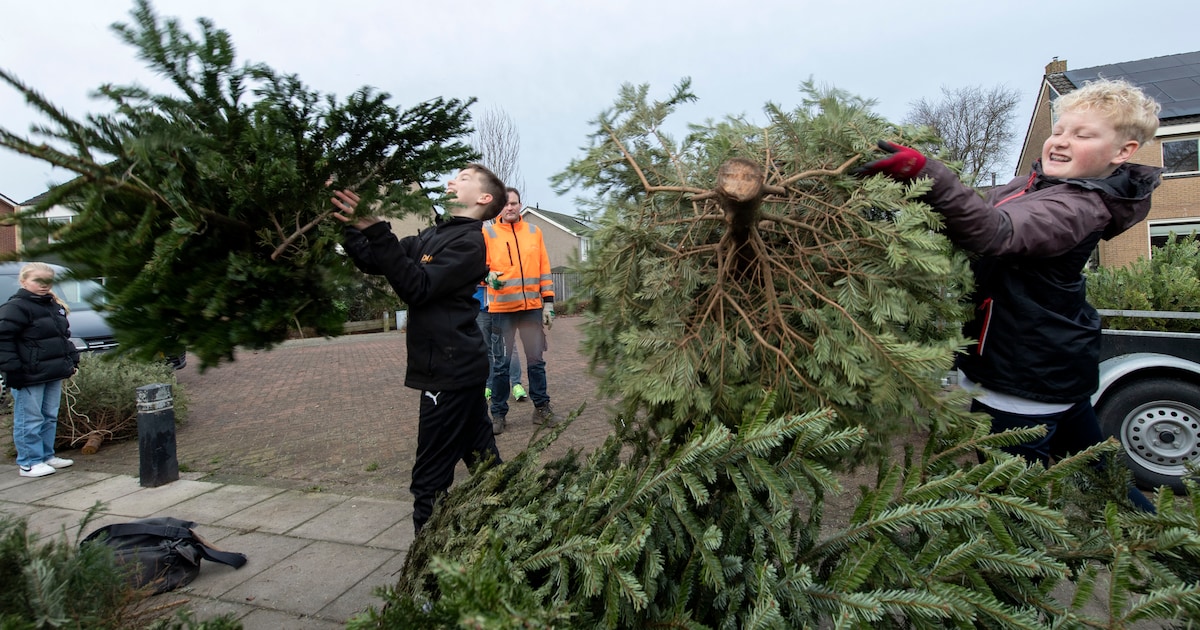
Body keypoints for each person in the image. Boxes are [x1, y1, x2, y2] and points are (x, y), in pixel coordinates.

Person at [855, 78, 1161, 512]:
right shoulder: (1031, 187)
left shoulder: (1080, 206)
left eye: (1083, 135)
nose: (1060, 141)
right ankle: (1169, 541)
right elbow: (964, 213)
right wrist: (898, 197)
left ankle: (1022, 568)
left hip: (1021, 379)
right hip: (1056, 369)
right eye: (1059, 130)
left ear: (1122, 152)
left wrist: (929, 173)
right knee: (1101, 472)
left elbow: (995, 231)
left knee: (1013, 499)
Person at [333, 163, 506, 533]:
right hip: (456, 371)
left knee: (429, 479)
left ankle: (427, 580)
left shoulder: (470, 242)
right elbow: (373, 257)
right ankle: (511, 532)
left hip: (450, 372)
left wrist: (379, 229)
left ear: (484, 198)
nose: (450, 181)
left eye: (462, 178)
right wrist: (349, 221)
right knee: (484, 462)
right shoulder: (431, 235)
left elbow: (418, 288)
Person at [484, 187, 555, 434]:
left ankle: (542, 408)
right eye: (505, 204)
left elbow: (544, 268)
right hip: (502, 311)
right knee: (501, 365)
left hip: (531, 310)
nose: (510, 208)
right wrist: (486, 276)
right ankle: (498, 414)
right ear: (498, 208)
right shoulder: (487, 232)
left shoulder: (535, 232)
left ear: (519, 204)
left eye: (513, 203)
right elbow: (475, 266)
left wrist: (548, 302)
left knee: (536, 362)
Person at [0, 262, 80, 478]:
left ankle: (46, 455)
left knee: (49, 415)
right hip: (28, 374)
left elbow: (62, 336)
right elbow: (3, 339)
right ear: (24, 281)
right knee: (30, 418)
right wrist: (12, 369)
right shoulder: (15, 307)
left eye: (48, 281)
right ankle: (29, 462)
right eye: (37, 280)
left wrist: (72, 359)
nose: (43, 285)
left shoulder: (52, 305)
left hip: (51, 371)